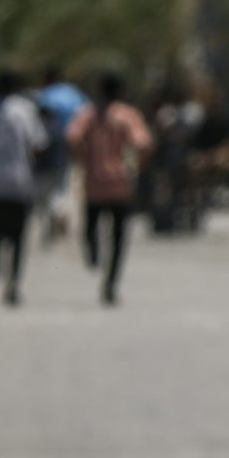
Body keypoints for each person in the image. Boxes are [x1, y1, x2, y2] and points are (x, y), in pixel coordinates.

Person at [67, 72, 153, 306]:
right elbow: (143, 144)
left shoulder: (87, 115)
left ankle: (94, 255)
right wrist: (139, 167)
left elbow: (73, 138)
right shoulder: (127, 116)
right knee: (117, 239)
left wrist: (84, 159)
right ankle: (111, 282)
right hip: (120, 185)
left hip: (93, 183)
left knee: (90, 228)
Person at [0, 70, 49, 307]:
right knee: (19, 236)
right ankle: (13, 281)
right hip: (21, 181)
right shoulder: (24, 110)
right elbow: (38, 143)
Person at [33, 68, 88, 243]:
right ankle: (59, 210)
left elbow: (42, 116)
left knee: (44, 184)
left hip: (50, 143)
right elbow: (86, 112)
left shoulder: (45, 95)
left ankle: (54, 212)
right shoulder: (73, 93)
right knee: (62, 183)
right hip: (71, 142)